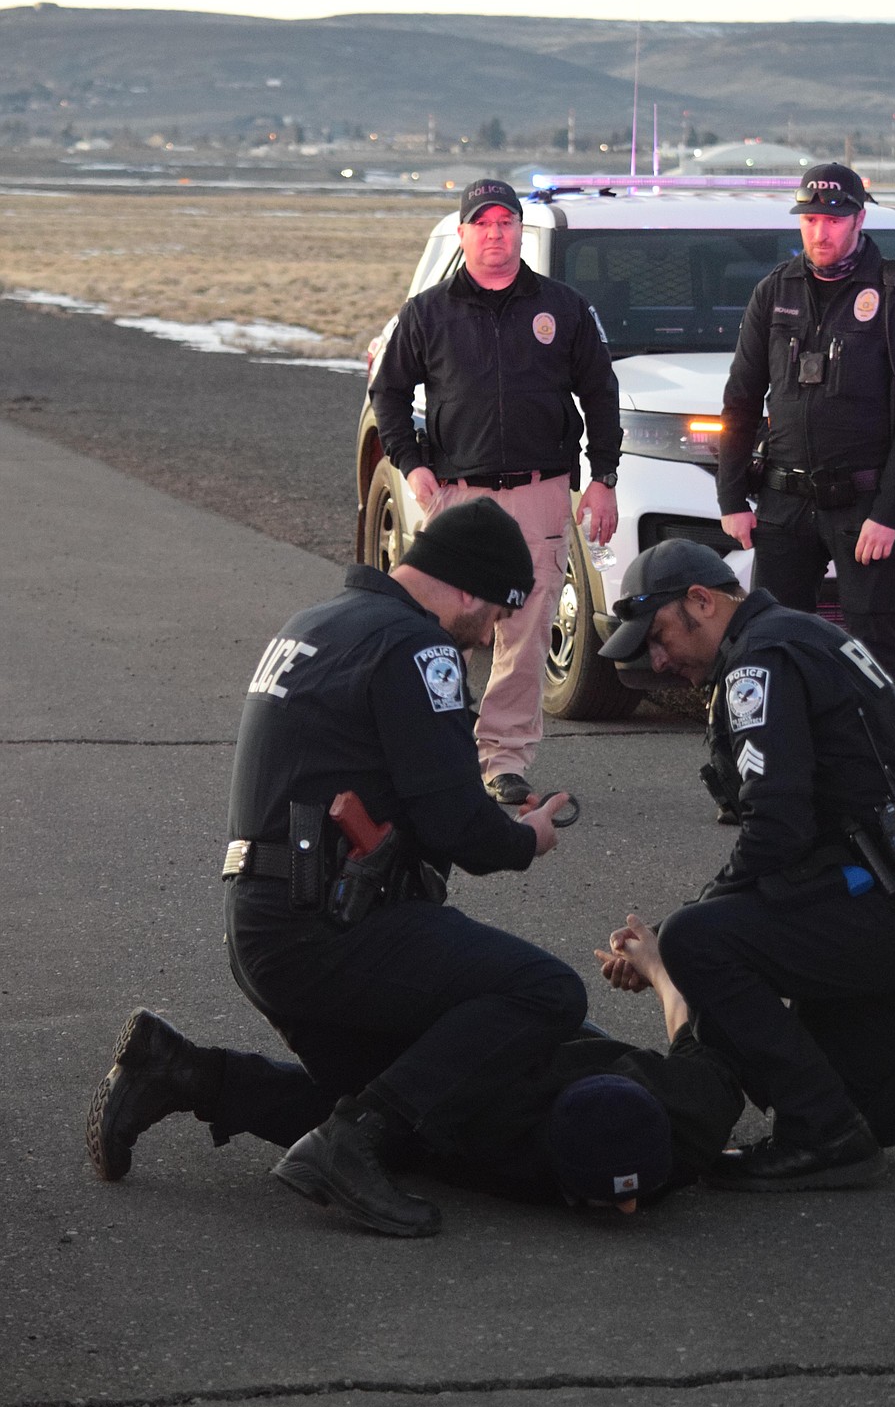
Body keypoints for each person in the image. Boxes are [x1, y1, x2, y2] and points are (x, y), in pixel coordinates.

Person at [86, 498, 588, 1238]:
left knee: (411, 1099)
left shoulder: (315, 624)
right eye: (494, 618)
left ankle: (183, 1072)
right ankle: (343, 1150)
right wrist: (528, 837)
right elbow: (461, 826)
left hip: (265, 925)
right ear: (472, 590)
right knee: (549, 992)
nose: (488, 638)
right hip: (331, 931)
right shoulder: (418, 649)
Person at [598, 539, 895, 1190]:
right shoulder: (798, 634)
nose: (658, 660)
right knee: (832, 1093)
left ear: (701, 600)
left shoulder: (759, 663)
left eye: (659, 636)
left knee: (697, 940)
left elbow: (775, 829)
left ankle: (820, 1138)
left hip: (893, 900)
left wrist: (673, 938)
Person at [84, 915, 745, 1220]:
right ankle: (186, 1071)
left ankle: (179, 1070)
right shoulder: (510, 1136)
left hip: (499, 1062)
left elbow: (687, 1024)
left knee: (376, 1120)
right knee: (384, 1125)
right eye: (613, 1203)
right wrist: (656, 966)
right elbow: (689, 1025)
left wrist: (657, 968)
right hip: (488, 1023)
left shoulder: (694, 1111)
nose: (628, 1211)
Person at [369, 176, 622, 805]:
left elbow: (600, 392)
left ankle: (502, 760)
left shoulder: (562, 307)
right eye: (481, 224)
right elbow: (389, 393)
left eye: (505, 223)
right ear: (462, 235)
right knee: (432, 626)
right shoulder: (427, 312)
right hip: (456, 499)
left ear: (519, 233)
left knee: (526, 628)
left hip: (540, 492)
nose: (494, 234)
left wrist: (604, 479)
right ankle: (426, 748)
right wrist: (412, 463)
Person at [718, 161, 895, 739]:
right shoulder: (776, 290)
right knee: (769, 643)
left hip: (862, 507)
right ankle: (759, 770)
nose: (821, 232)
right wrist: (732, 496)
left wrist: (890, 513)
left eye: (834, 219)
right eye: (811, 219)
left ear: (860, 219)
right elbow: (740, 400)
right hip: (784, 500)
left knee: (880, 644)